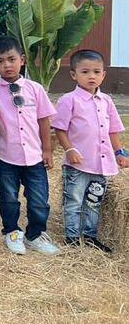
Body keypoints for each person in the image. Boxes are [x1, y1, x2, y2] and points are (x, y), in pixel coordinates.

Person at [0, 37, 60, 256]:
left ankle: (36, 235)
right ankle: (12, 232)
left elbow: (44, 121)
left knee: (39, 201)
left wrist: (47, 150)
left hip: (35, 157)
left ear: (22, 60)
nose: (7, 65)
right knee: (9, 199)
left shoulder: (35, 89)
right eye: (0, 61)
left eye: (11, 59)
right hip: (6, 157)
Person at [53, 49, 129, 253]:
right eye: (85, 72)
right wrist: (69, 149)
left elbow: (113, 130)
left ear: (103, 75)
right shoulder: (69, 100)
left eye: (96, 72)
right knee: (74, 201)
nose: (91, 76)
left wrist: (119, 153)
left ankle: (90, 236)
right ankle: (72, 237)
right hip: (78, 164)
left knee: (94, 202)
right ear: (73, 74)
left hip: (101, 164)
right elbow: (60, 129)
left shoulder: (107, 101)